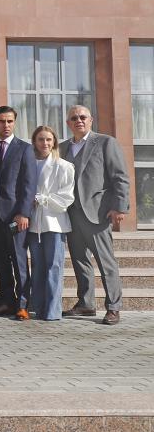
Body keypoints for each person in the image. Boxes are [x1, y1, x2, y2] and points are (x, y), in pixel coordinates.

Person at [60, 106, 130, 325]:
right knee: (80, 261)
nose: (79, 120)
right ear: (68, 123)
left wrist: (119, 207)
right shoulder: (62, 147)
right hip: (71, 214)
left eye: (83, 117)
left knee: (105, 262)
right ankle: (86, 303)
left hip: (96, 212)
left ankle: (113, 307)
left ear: (91, 120)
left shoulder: (106, 142)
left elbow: (120, 177)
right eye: (74, 118)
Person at [0, 106, 38, 320]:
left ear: (14, 123)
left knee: (19, 261)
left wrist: (23, 213)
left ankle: (23, 304)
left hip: (15, 216)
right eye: (1, 121)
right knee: (0, 261)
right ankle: (7, 301)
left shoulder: (24, 149)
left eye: (9, 121)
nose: (6, 125)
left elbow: (29, 183)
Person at [29, 125, 76, 321]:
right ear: (34, 142)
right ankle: (38, 308)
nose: (45, 143)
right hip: (33, 224)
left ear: (54, 142)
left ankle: (52, 311)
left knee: (54, 267)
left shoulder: (64, 166)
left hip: (54, 223)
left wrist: (42, 199)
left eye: (48, 139)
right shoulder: (30, 163)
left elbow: (66, 198)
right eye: (41, 139)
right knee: (37, 266)